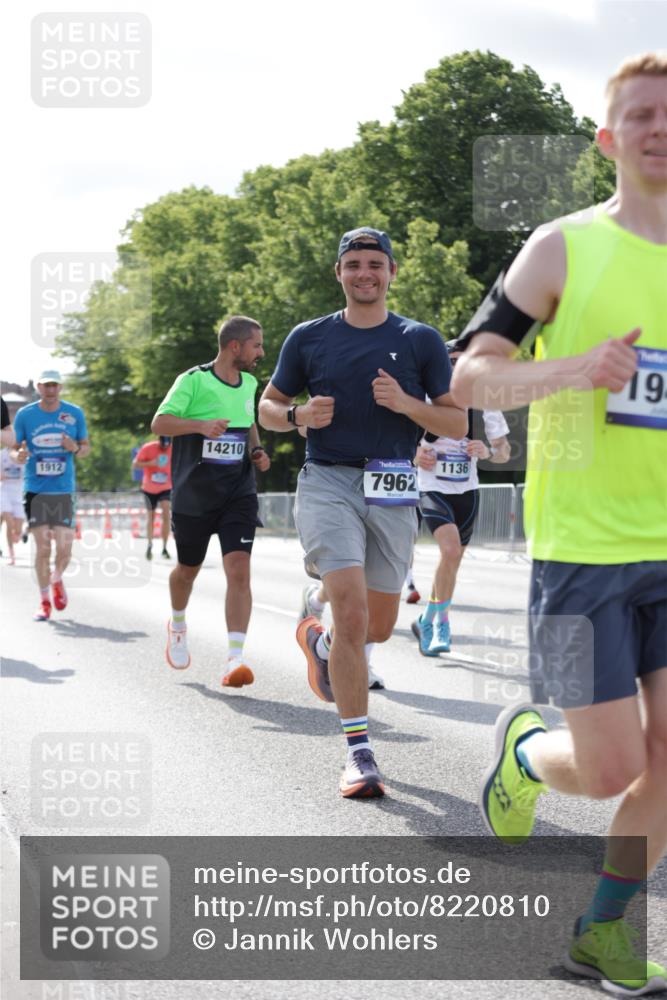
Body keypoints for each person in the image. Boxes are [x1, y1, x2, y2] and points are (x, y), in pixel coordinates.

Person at [452, 53, 667, 994]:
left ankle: (601, 932)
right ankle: (527, 755)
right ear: (607, 138)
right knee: (611, 765)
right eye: (641, 114)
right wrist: (573, 368)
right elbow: (469, 376)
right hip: (583, 553)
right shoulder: (561, 248)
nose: (659, 128)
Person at [259, 227, 466, 798]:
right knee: (352, 616)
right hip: (328, 480)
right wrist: (298, 417)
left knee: (377, 626)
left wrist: (406, 403)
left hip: (393, 486)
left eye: (375, 263)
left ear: (392, 272)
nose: (364, 273)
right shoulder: (309, 337)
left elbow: (455, 422)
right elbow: (268, 406)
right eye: (353, 265)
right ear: (339, 273)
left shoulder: (420, 339)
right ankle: (359, 753)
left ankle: (322, 642)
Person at [152, 316, 270, 687]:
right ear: (235, 346)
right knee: (187, 570)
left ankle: (235, 658)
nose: (261, 353)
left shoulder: (249, 383)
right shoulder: (193, 380)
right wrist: (200, 426)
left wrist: (256, 450)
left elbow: (248, 420)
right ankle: (178, 624)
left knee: (239, 569)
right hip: (194, 496)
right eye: (256, 345)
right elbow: (160, 423)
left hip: (238, 493)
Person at [412, 347, 510, 656]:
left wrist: (488, 452)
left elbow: (504, 451)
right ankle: (442, 624)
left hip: (467, 490)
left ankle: (426, 619)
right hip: (431, 487)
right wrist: (416, 454)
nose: (457, 368)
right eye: (452, 362)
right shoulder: (424, 398)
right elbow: (397, 440)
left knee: (451, 561)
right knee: (450, 550)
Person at [12, 370, 90, 620]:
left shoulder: (74, 413)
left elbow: (85, 449)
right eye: (46, 385)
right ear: (38, 387)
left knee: (65, 549)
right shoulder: (25, 414)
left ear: (60, 387)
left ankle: (56, 579)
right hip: (36, 490)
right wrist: (18, 456)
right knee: (43, 548)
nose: (50, 389)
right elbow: (14, 449)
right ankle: (44, 601)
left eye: (54, 385)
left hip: (63, 490)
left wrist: (74, 447)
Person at [132, 435, 173, 560]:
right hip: (149, 488)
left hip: (166, 487)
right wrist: (150, 463)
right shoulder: (148, 448)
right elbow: (135, 464)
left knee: (166, 514)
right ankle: (150, 545)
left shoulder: (174, 448)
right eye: (163, 446)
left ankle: (164, 547)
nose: (165, 448)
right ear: (159, 441)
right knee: (151, 516)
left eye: (167, 447)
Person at [1, 447, 26, 565]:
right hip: (4, 492)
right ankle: (12, 556)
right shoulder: (2, 455)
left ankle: (20, 533)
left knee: (17, 530)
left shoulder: (23, 453)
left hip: (18, 494)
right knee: (9, 524)